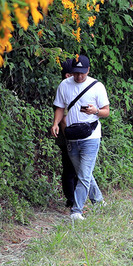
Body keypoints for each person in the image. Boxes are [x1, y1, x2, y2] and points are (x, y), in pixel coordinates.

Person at [50, 54, 109, 221]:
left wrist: (95, 111)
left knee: (83, 175)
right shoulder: (64, 85)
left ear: (88, 70)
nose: (79, 76)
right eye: (76, 73)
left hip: (91, 136)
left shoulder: (97, 87)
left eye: (82, 73)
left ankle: (76, 211)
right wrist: (55, 124)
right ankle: (98, 201)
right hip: (71, 136)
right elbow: (60, 107)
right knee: (84, 173)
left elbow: (106, 111)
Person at [55, 56, 78, 210]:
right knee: (70, 169)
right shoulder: (63, 89)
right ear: (67, 76)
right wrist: (69, 137)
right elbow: (63, 118)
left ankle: (75, 199)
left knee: (75, 169)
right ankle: (71, 200)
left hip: (74, 136)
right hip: (68, 137)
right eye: (74, 73)